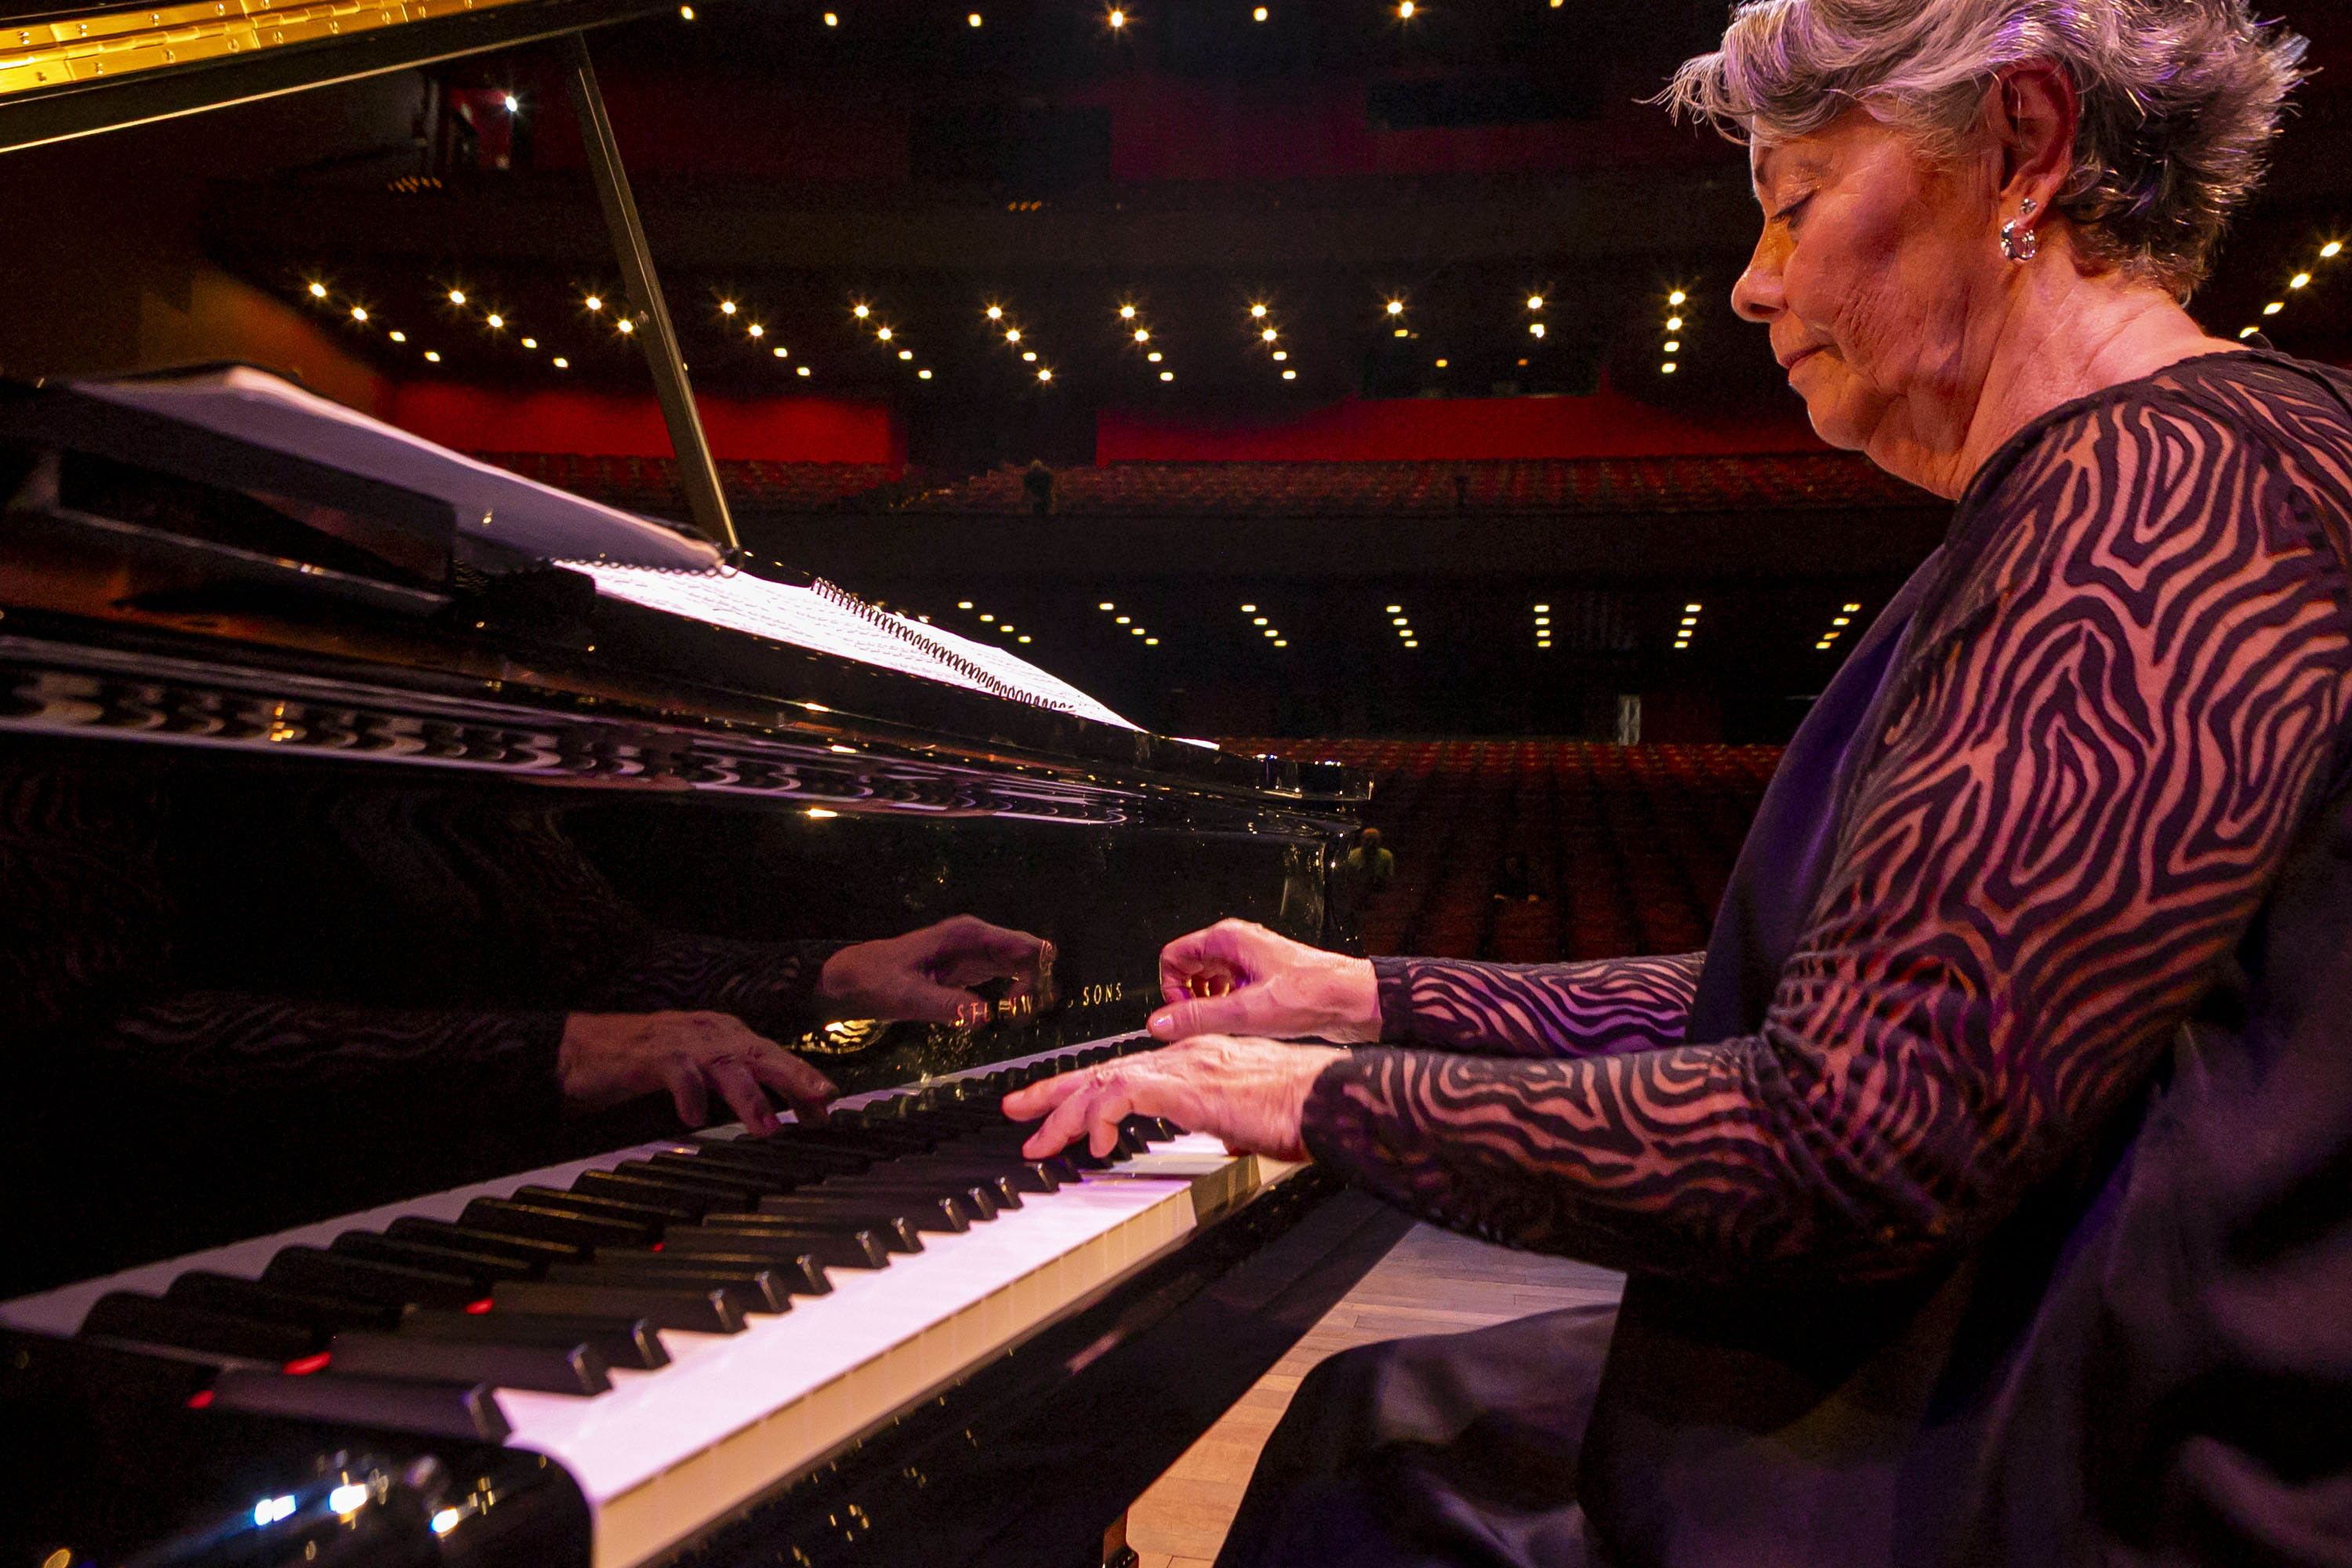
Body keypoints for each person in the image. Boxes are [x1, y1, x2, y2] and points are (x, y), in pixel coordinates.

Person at [1007, 2, 2352, 1563]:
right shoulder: (2199, 464)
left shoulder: (2160, 500)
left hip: (2116, 1476)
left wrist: (1318, 1099)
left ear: (2023, 148)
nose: (1752, 281)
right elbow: (1830, 1008)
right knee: (1379, 1412)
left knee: (1378, 1485)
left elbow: (1855, 1134)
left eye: (1796, 201)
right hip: (2059, 1371)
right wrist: (1366, 998)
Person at [1330, 826, 1396, 949]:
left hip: (1377, 897)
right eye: (1368, 840)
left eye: (1374, 840)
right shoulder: (1352, 856)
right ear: (1362, 840)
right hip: (1355, 895)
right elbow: (1347, 879)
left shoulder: (1386, 857)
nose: (1370, 844)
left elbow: (1389, 880)